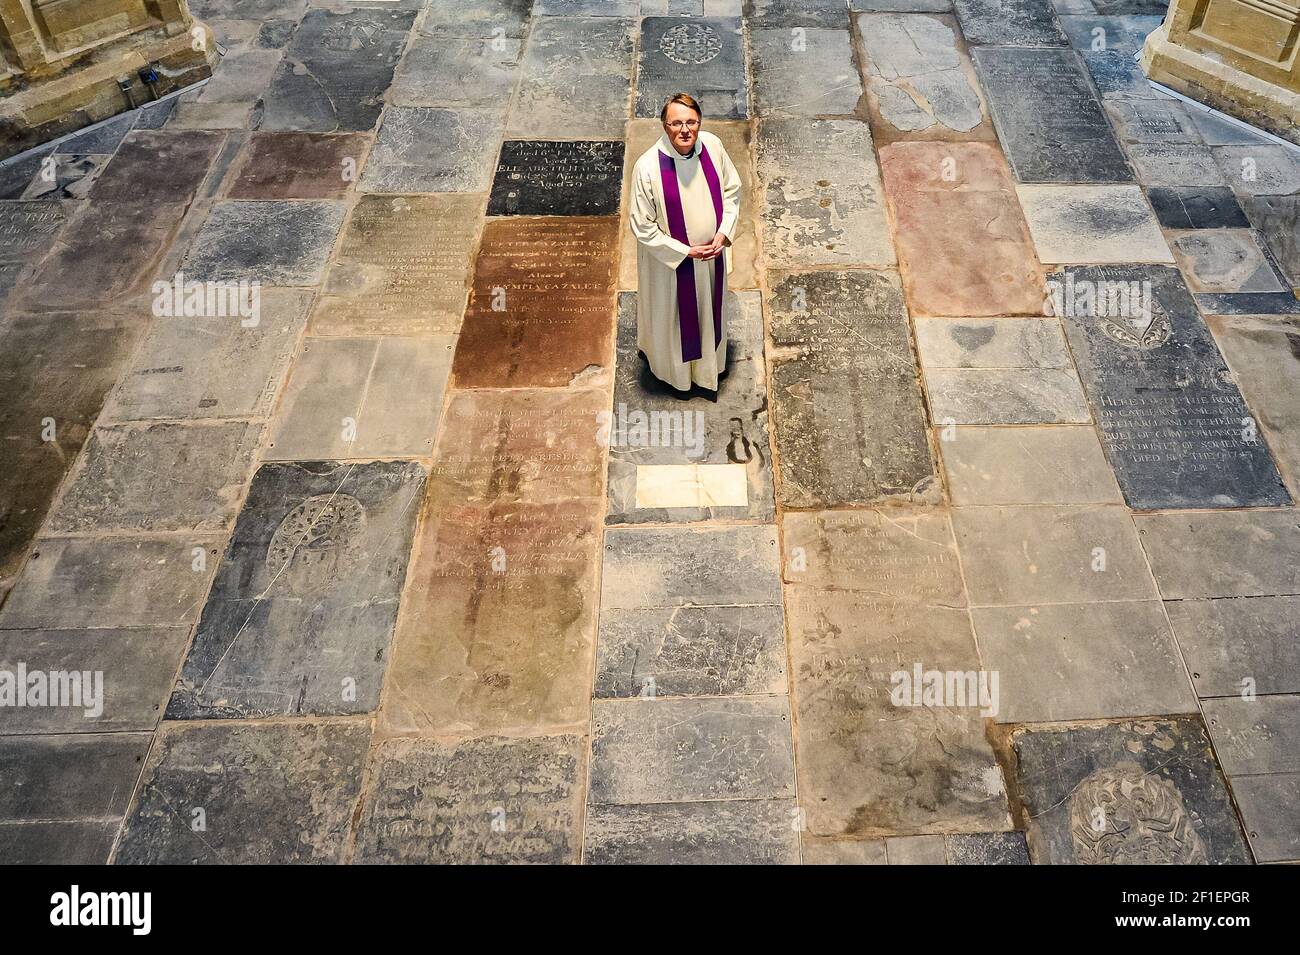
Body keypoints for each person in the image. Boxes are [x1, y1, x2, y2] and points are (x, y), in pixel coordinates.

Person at [629, 93, 742, 393]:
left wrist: (723, 231)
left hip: (710, 259)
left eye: (691, 122)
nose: (685, 130)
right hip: (672, 267)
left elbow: (731, 190)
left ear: (699, 123)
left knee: (708, 313)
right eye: (676, 123)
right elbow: (642, 226)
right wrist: (685, 251)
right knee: (674, 322)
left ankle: (707, 371)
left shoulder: (713, 146)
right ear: (664, 126)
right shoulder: (648, 168)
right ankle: (676, 375)